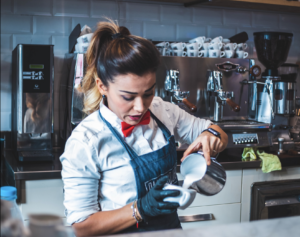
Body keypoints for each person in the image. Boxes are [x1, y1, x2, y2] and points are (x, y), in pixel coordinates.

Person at [60, 19, 228, 237]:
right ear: (102, 86)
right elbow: (82, 227)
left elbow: (217, 131)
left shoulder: (162, 110)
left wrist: (212, 135)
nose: (140, 107)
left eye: (148, 92)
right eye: (128, 97)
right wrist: (139, 209)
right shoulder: (85, 142)